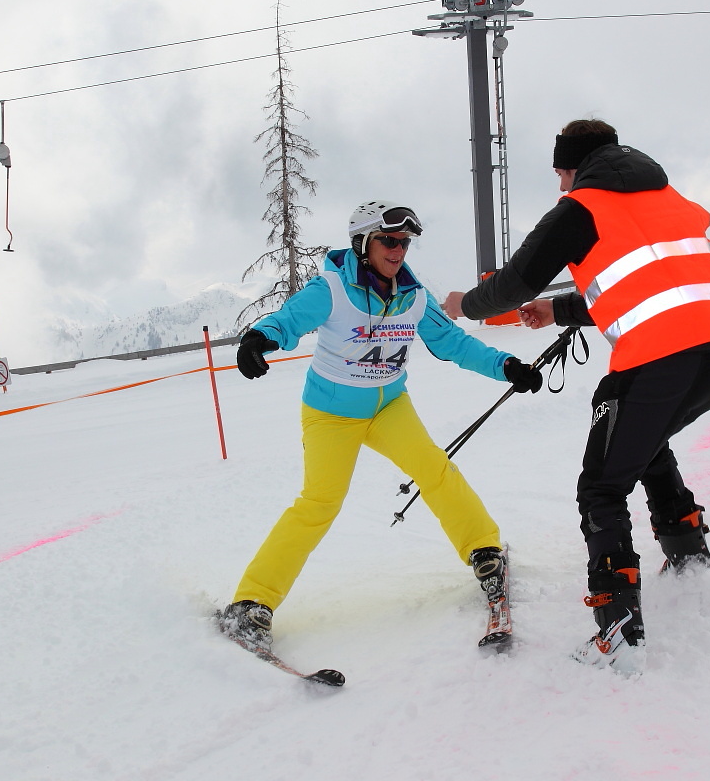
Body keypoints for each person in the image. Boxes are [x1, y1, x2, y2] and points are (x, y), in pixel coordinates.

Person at [442, 120, 710, 673]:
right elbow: (650, 285)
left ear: (574, 165)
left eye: (560, 173)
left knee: (601, 485)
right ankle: (689, 561)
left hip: (661, 355)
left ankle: (618, 630)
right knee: (642, 442)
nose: (560, 185)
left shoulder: (581, 208)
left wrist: (465, 304)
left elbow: (514, 283)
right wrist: (559, 310)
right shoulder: (665, 197)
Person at [223, 200, 542, 649]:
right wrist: (259, 339)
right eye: (389, 241)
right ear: (363, 243)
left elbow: (452, 342)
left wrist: (505, 365)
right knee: (319, 503)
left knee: (434, 469)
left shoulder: (414, 295)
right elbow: (289, 320)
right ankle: (252, 602)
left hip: (389, 406)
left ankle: (484, 551)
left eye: (404, 243)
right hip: (331, 413)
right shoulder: (333, 288)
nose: (398, 251)